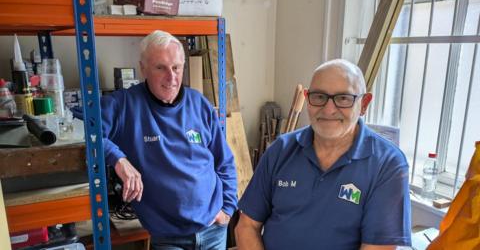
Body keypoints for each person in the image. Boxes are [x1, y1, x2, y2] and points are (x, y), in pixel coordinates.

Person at [235, 59, 411, 250]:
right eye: (319, 97)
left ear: (364, 104)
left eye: (343, 98)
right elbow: (247, 226)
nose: (328, 109)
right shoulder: (281, 150)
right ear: (307, 98)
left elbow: (378, 248)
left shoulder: (387, 164)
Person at [99, 30, 237, 249]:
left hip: (213, 230)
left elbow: (225, 161)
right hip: (168, 238)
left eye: (176, 67)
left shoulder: (199, 104)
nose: (171, 77)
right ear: (143, 68)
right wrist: (118, 160)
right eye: (160, 67)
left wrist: (227, 210)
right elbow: (83, 130)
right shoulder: (124, 105)